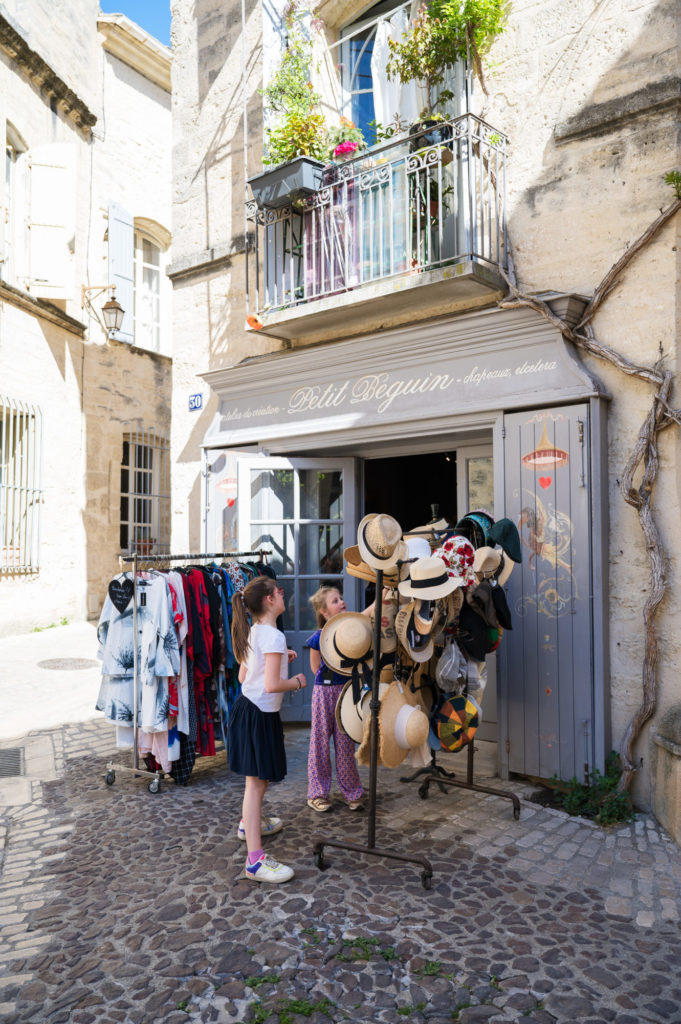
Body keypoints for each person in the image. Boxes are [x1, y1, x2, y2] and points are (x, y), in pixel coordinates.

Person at [229, 576, 306, 883]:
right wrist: (297, 682)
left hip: (249, 710)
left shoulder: (256, 632)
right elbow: (273, 685)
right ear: (270, 600)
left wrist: (279, 658)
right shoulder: (272, 636)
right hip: (258, 714)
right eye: (278, 591)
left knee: (257, 781)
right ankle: (255, 861)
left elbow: (243, 675)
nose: (282, 593)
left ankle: (250, 824)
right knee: (256, 783)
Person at [306, 586, 365, 813]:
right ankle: (317, 793)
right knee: (320, 744)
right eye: (335, 600)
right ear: (324, 611)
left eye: (341, 598)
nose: (341, 602)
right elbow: (314, 668)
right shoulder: (318, 638)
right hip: (324, 693)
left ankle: (352, 791)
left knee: (345, 744)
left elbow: (365, 617)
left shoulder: (351, 632)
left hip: (346, 692)